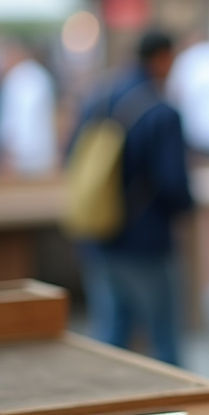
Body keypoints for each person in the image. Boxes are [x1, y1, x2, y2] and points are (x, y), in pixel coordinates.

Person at [72, 31, 193, 365]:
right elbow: (173, 183)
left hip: (98, 229)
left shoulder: (99, 98)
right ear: (162, 56)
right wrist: (186, 209)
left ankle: (110, 406)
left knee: (112, 331)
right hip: (147, 237)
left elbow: (73, 154)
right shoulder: (161, 111)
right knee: (164, 337)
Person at [0, 38, 57, 176]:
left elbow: (13, 121)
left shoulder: (15, 78)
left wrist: (7, 154)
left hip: (20, 156)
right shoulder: (40, 75)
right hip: (42, 156)